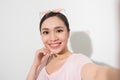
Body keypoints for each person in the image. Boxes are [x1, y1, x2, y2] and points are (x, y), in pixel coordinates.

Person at [26, 11, 120, 80]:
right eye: (46, 32)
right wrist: (35, 65)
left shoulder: (78, 61)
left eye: (59, 30)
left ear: (68, 33)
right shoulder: (42, 62)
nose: (53, 38)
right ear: (41, 35)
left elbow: (96, 74)